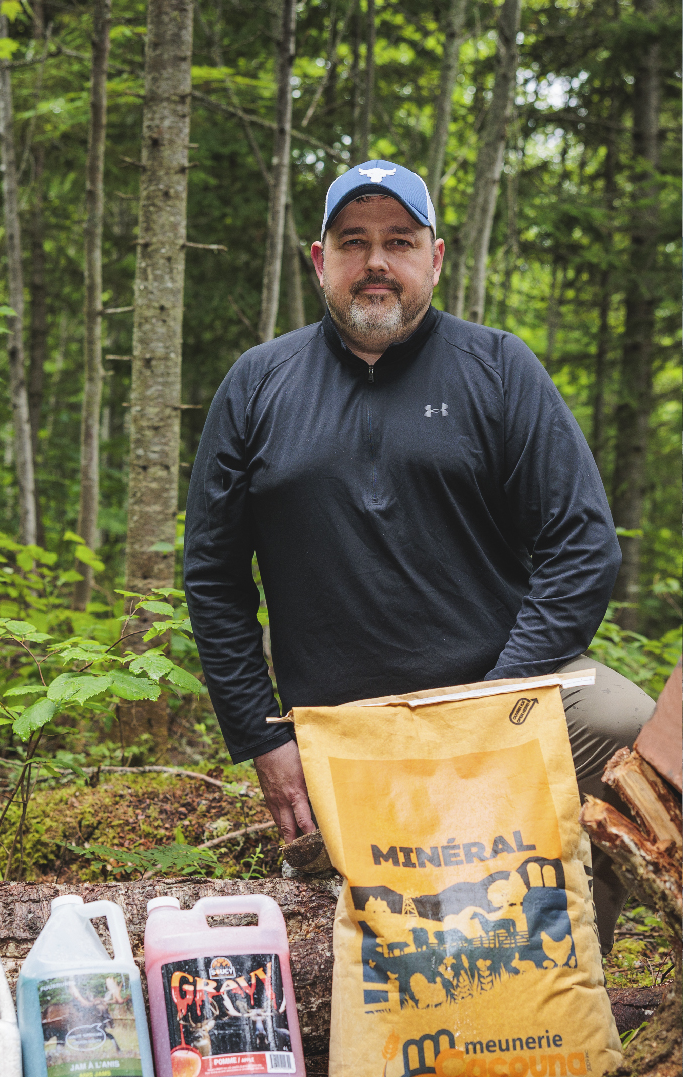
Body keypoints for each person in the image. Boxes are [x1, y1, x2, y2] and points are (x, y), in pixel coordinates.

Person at [183, 158, 654, 956]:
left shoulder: (497, 369)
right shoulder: (257, 383)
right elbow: (214, 576)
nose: (375, 262)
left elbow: (581, 544)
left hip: (507, 692)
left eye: (398, 241)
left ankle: (578, 989)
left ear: (434, 257)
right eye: (353, 241)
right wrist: (261, 737)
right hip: (346, 725)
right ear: (318, 259)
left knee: (631, 733)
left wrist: (493, 702)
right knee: (423, 932)